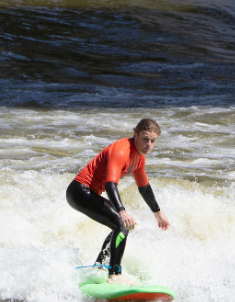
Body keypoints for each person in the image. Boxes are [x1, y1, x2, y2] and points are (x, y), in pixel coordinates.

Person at [66, 118, 172, 284]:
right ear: (135, 135)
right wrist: (122, 211)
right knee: (121, 223)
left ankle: (99, 269)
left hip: (88, 192)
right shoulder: (122, 150)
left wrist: (158, 214)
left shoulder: (139, 157)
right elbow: (110, 184)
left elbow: (144, 187)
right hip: (80, 191)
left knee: (118, 226)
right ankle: (115, 274)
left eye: (153, 140)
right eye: (145, 139)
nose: (149, 144)